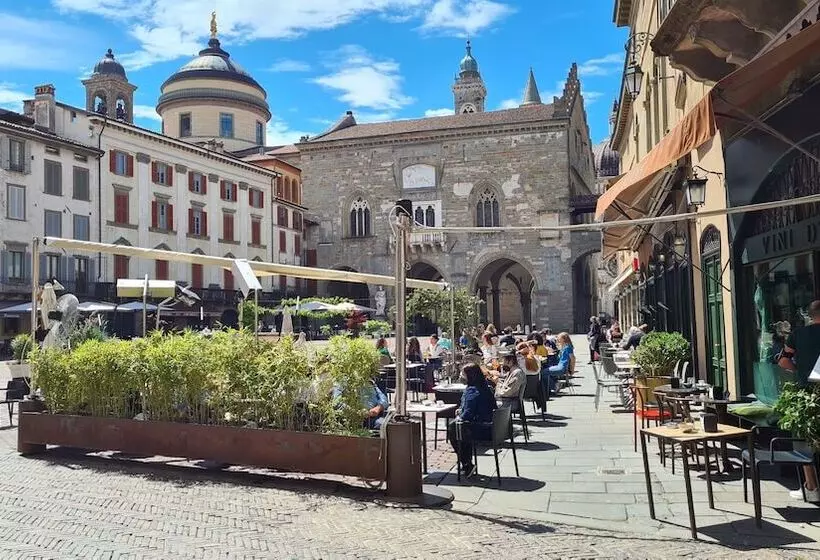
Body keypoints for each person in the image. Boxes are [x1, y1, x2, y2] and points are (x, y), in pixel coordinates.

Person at [778, 300, 820, 502]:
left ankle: (811, 488)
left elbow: (783, 360)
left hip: (807, 394)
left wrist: (801, 371)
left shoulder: (798, 335)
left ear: (810, 316)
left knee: (804, 442)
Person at [447, 365, 496, 477]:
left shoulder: (472, 391)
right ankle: (467, 463)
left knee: (454, 428)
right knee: (458, 427)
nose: (461, 377)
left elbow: (467, 415)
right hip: (493, 427)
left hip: (481, 429)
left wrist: (461, 416)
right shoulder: (486, 388)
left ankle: (466, 463)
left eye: (463, 374)